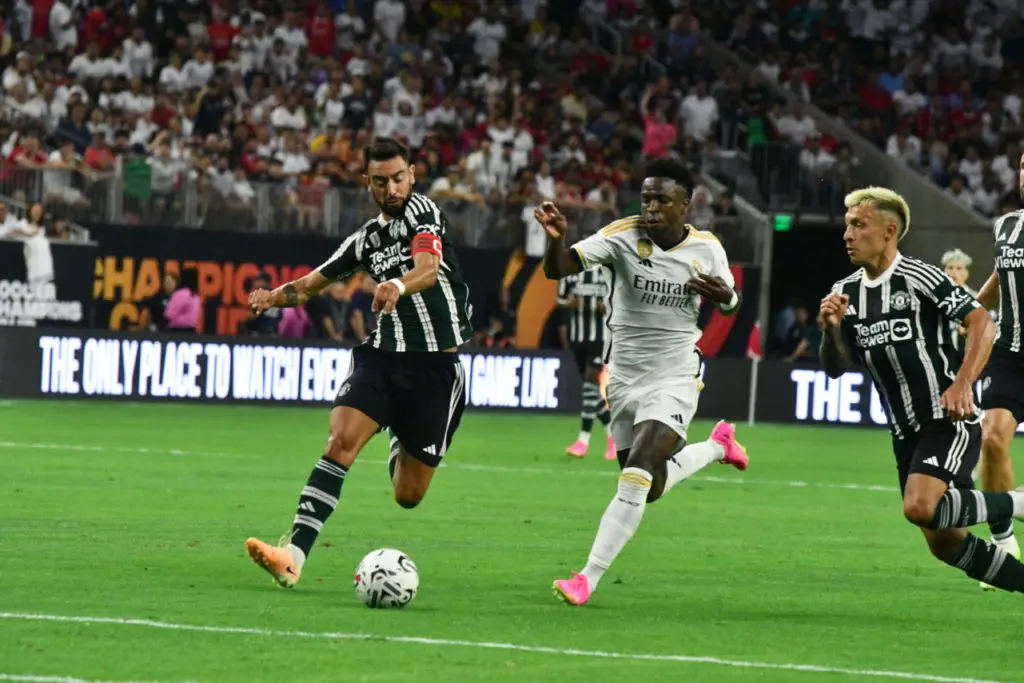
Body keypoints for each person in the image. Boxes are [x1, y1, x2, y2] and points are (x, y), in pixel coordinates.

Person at [243, 137, 473, 588]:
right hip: (382, 359)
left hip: (435, 371)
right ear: (366, 183)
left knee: (408, 495)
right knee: (339, 442)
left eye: (399, 178)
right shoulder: (364, 241)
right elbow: (311, 284)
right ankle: (292, 557)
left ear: (412, 175)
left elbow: (426, 268)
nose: (392, 188)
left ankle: (398, 435)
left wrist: (398, 286)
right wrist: (274, 296)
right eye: (381, 181)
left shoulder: (422, 213)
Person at [535, 158, 749, 607]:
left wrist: (725, 297)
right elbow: (560, 269)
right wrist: (556, 239)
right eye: (646, 197)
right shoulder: (622, 235)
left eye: (661, 199)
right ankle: (716, 447)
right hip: (625, 379)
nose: (650, 207)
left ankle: (586, 578)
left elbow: (731, 301)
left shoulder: (707, 248)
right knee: (646, 487)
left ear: (685, 205)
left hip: (675, 375)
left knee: (635, 476)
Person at [819, 186, 1024, 595]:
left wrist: (962, 382)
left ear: (889, 230)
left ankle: (1018, 503)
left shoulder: (920, 277)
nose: (848, 235)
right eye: (847, 227)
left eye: (858, 225)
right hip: (904, 433)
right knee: (944, 541)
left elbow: (983, 322)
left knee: (919, 506)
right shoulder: (847, 291)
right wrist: (830, 332)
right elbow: (836, 369)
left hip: (947, 418)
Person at [972, 160, 1024, 590]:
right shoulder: (1005, 226)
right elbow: (1000, 278)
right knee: (991, 438)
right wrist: (969, 307)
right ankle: (1003, 539)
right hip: (1009, 352)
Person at [558, 265, 616, 460]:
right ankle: (613, 438)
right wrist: (569, 303)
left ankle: (583, 441)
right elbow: (559, 298)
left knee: (591, 385)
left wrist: (606, 307)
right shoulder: (571, 275)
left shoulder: (607, 274)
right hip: (578, 339)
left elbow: (620, 302)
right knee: (590, 392)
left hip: (600, 339)